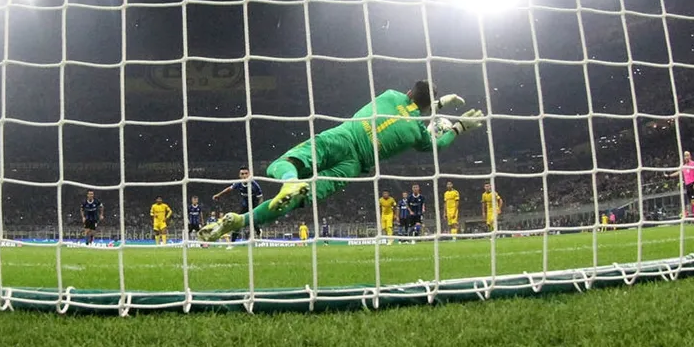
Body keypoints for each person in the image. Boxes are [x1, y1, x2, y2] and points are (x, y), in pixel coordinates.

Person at [199, 80, 483, 242]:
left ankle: (289, 181)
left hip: (342, 137)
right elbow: (435, 143)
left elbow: (409, 105)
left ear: (409, 92)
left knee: (281, 165)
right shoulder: (417, 131)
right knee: (297, 201)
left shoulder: (391, 95)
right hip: (352, 167)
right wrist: (457, 128)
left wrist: (438, 103)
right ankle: (238, 221)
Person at [212, 166, 264, 242]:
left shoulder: (254, 185)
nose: (244, 176)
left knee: (252, 222)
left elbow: (260, 197)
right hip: (245, 206)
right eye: (242, 174)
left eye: (246, 173)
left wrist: (259, 209)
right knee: (238, 223)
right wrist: (218, 195)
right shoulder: (238, 183)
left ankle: (258, 231)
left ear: (249, 174)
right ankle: (232, 243)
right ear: (239, 175)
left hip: (254, 206)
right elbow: (229, 189)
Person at [664, 150, 694, 223]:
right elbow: (679, 172)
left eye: (687, 155)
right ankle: (693, 218)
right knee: (691, 202)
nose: (686, 157)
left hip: (692, 185)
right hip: (687, 186)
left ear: (690, 156)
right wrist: (669, 176)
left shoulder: (693, 164)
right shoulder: (684, 166)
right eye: (685, 156)